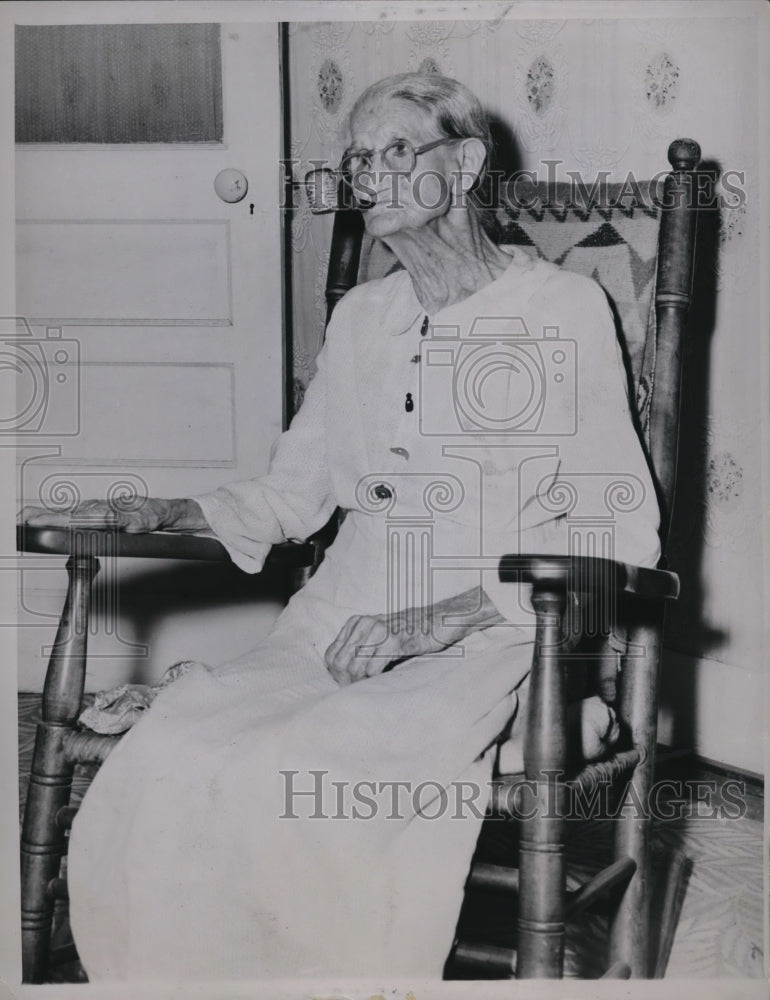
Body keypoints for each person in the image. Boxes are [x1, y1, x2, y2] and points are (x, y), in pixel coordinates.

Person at [21, 73, 661, 980]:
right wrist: (165, 509)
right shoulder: (363, 319)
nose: (366, 175)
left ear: (466, 163)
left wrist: (436, 619)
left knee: (297, 766)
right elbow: (293, 493)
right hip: (333, 623)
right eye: (357, 157)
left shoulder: (557, 310)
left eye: (396, 151)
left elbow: (619, 534)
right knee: (181, 747)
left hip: (495, 639)